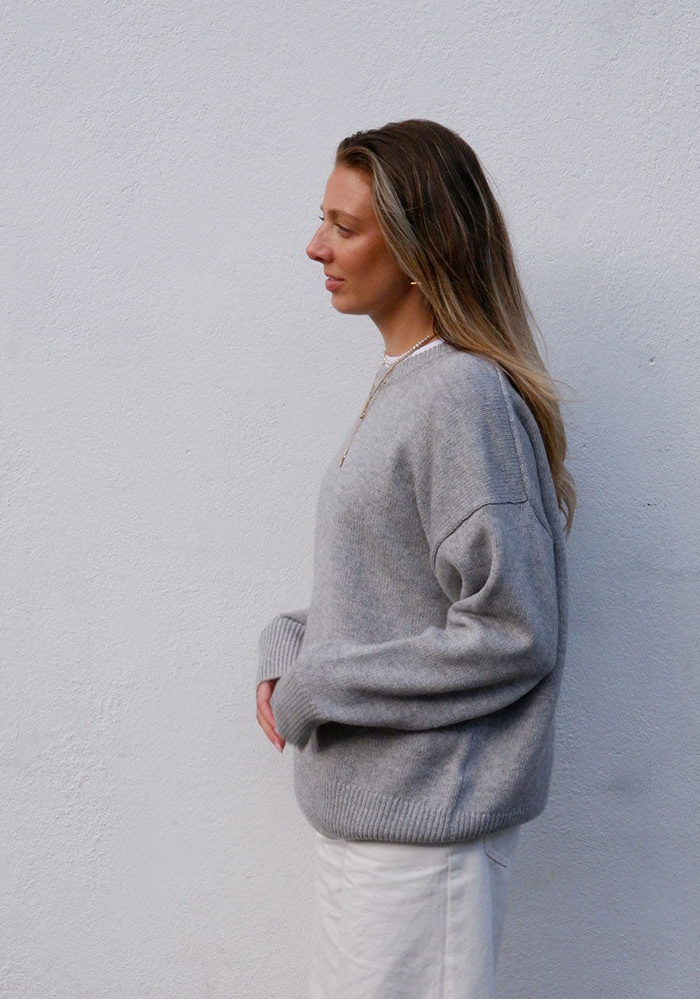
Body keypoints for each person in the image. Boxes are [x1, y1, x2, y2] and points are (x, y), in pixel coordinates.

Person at [254, 119, 574, 999]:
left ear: (419, 246)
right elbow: (395, 584)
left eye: (345, 226)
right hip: (377, 836)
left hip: (421, 849)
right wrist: (291, 643)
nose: (316, 246)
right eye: (323, 218)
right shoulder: (410, 382)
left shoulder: (462, 395)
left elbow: (513, 631)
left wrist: (320, 684)